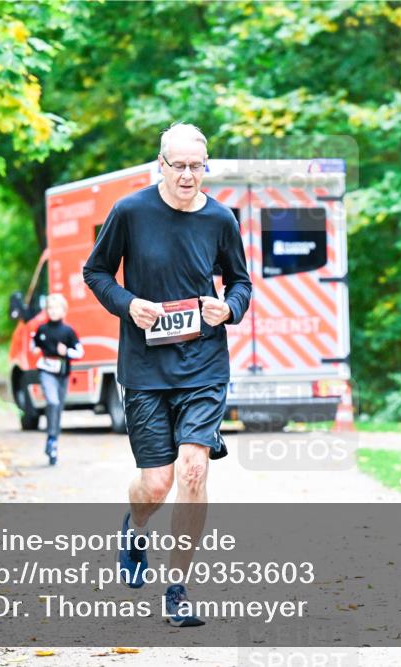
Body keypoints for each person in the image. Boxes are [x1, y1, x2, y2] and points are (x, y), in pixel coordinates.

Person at [82, 122, 252, 627]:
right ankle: (135, 528)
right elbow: (95, 272)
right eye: (177, 166)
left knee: (194, 469)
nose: (186, 176)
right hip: (146, 367)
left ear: (206, 167)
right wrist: (128, 303)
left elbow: (240, 281)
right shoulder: (131, 212)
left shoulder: (220, 219)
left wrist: (230, 309)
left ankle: (177, 589)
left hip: (203, 363)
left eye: (196, 166)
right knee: (156, 485)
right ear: (160, 164)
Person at [31, 293, 83, 465]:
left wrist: (66, 352)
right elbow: (34, 345)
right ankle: (52, 441)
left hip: (62, 373)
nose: (53, 312)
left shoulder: (68, 331)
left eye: (57, 308)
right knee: (52, 402)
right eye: (50, 308)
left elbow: (79, 352)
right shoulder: (42, 329)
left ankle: (52, 441)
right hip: (46, 371)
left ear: (64, 310)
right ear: (46, 311)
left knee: (58, 409)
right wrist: (33, 342)